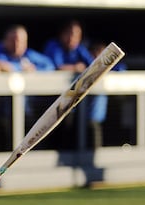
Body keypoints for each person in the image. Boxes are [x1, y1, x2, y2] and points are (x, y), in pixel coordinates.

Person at [43, 20, 107, 149]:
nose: (73, 38)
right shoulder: (53, 45)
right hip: (52, 106)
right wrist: (76, 67)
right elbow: (55, 67)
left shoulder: (79, 49)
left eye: (77, 35)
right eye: (70, 34)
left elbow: (93, 66)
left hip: (73, 107)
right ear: (62, 34)